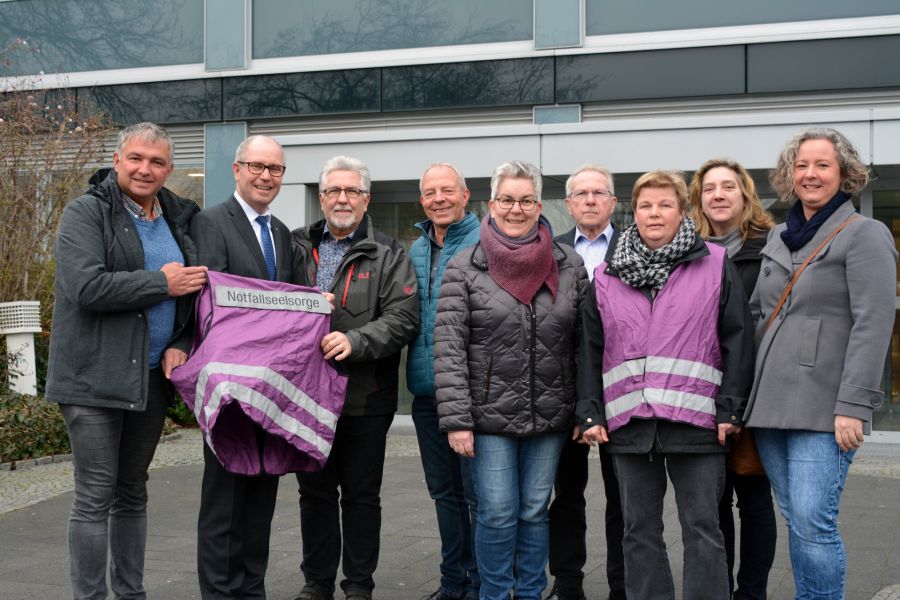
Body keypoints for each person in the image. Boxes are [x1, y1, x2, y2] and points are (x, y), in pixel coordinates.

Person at [46, 122, 208, 599]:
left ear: (169, 170)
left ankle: (131, 593)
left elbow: (191, 295)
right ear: (117, 161)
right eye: (136, 158)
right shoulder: (85, 214)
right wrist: (161, 282)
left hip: (149, 381)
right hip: (92, 380)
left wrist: (182, 339)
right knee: (95, 496)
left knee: (132, 492)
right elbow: (86, 287)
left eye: (157, 162)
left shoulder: (178, 219)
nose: (145, 168)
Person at [577, 170, 754, 600]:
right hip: (630, 424)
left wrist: (731, 408)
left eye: (665, 205)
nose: (654, 213)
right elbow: (589, 349)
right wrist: (589, 412)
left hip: (698, 422)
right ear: (632, 212)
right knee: (638, 531)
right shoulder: (606, 274)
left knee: (702, 529)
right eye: (645, 205)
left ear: (681, 211)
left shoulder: (714, 261)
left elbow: (738, 337)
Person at [744, 127, 897, 599]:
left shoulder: (864, 233)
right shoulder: (777, 236)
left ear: (845, 173)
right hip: (769, 405)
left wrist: (855, 403)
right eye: (802, 165)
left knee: (813, 520)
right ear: (790, 175)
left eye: (822, 165)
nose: (810, 174)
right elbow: (756, 314)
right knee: (798, 517)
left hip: (825, 405)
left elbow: (873, 323)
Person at [434, 160, 588, 600]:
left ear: (539, 205)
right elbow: (448, 347)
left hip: (551, 412)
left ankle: (530, 593)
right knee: (498, 512)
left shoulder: (569, 263)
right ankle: (496, 593)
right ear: (491, 203)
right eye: (506, 200)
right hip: (487, 417)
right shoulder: (466, 266)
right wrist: (457, 419)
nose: (515, 209)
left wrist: (583, 408)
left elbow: (583, 342)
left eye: (525, 200)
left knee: (535, 511)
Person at [291, 156, 419, 600]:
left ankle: (358, 585)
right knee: (314, 494)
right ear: (322, 197)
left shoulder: (388, 252)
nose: (341, 199)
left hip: (366, 397)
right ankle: (317, 582)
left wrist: (355, 341)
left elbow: (403, 319)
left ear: (366, 199)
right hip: (305, 397)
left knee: (362, 497)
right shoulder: (295, 246)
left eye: (351, 191)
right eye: (333, 191)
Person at [190, 135, 295, 599]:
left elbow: (292, 308)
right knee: (223, 503)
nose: (265, 176)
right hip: (230, 389)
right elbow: (203, 302)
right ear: (237, 169)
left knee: (260, 499)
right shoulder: (210, 222)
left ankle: (252, 589)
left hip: (271, 389)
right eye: (256, 166)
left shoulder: (284, 234)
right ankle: (219, 592)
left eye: (274, 169)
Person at [689, 157, 777, 600]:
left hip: (753, 389)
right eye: (709, 189)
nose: (718, 195)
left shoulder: (770, 248)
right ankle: (718, 589)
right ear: (698, 198)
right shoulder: (687, 251)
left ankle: (752, 593)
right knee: (711, 504)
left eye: (728, 186)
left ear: (745, 194)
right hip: (699, 392)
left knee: (754, 498)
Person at [548, 164, 625, 600]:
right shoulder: (551, 250)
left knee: (625, 498)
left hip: (622, 388)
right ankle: (568, 583)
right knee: (567, 496)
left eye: (600, 193)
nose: (591, 200)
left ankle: (623, 585)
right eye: (582, 193)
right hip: (564, 388)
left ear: (613, 203)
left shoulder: (635, 247)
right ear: (570, 203)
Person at [407, 163, 481, 600]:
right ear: (422, 201)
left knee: (479, 497)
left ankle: (484, 582)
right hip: (425, 394)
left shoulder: (486, 242)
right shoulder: (413, 249)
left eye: (447, 190)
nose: (439, 198)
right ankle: (453, 581)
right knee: (444, 495)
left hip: (473, 396)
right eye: (431, 192)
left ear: (465, 195)